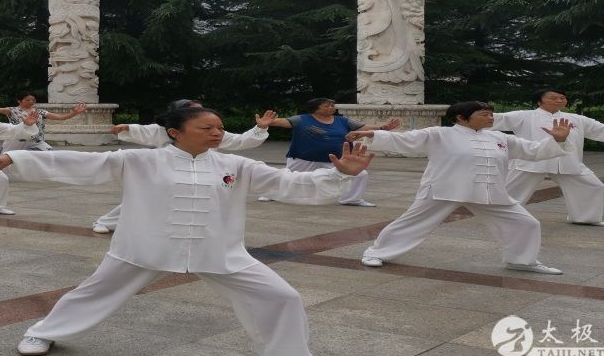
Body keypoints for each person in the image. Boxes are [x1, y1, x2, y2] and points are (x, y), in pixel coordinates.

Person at [0, 106, 369, 356]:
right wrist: (17, 159)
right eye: (207, 127)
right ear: (175, 132)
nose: (217, 133)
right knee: (95, 291)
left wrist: (340, 177)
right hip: (145, 247)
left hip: (218, 250)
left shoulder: (236, 165)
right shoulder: (142, 160)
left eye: (220, 128)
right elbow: (83, 163)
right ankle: (43, 333)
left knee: (282, 296)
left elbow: (290, 183)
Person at [352, 101, 573, 275]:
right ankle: (377, 253)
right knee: (413, 222)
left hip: (489, 190)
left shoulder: (500, 138)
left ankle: (521, 261)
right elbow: (405, 140)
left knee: (526, 222)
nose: (490, 118)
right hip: (444, 189)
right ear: (461, 117)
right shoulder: (439, 134)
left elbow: (533, 151)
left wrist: (558, 140)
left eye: (491, 114)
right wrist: (372, 134)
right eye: (484, 114)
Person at [91, 103, 279, 233]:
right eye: (194, 111)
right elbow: (142, 131)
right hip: (168, 172)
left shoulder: (214, 131)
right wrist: (127, 128)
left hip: (203, 171)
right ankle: (105, 221)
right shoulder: (162, 131)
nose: (215, 131)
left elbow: (241, 141)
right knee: (147, 199)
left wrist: (260, 128)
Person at [491, 88, 604, 227]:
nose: (559, 100)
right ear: (539, 101)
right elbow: (491, 120)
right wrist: (475, 115)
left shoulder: (577, 119)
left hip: (568, 161)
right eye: (553, 98)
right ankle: (500, 216)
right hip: (532, 161)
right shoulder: (523, 116)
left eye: (562, 98)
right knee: (512, 191)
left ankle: (585, 218)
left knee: (592, 186)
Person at [261, 98, 400, 207]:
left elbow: (363, 127)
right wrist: (269, 122)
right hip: (304, 159)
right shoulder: (302, 119)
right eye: (327, 105)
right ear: (315, 108)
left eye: (333, 105)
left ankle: (351, 199)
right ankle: (270, 194)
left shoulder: (343, 121)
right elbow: (283, 122)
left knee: (360, 174)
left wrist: (382, 128)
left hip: (335, 159)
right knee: (288, 177)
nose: (331, 107)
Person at [0, 94, 88, 154]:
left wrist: (74, 113)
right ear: (19, 100)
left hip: (36, 141)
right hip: (16, 141)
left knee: (50, 155)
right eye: (27, 100)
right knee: (4, 161)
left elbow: (61, 117)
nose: (31, 101)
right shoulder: (12, 110)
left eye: (33, 100)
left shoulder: (40, 112)